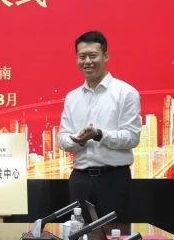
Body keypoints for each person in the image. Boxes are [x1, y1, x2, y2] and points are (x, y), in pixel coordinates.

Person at [58, 30, 141, 222]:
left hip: (113, 180)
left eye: (93, 55)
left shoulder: (126, 93)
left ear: (106, 56)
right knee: (78, 234)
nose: (87, 61)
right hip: (80, 180)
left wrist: (98, 134)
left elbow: (132, 137)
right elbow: (62, 139)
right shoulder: (72, 97)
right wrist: (78, 140)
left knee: (114, 235)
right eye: (82, 57)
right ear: (76, 59)